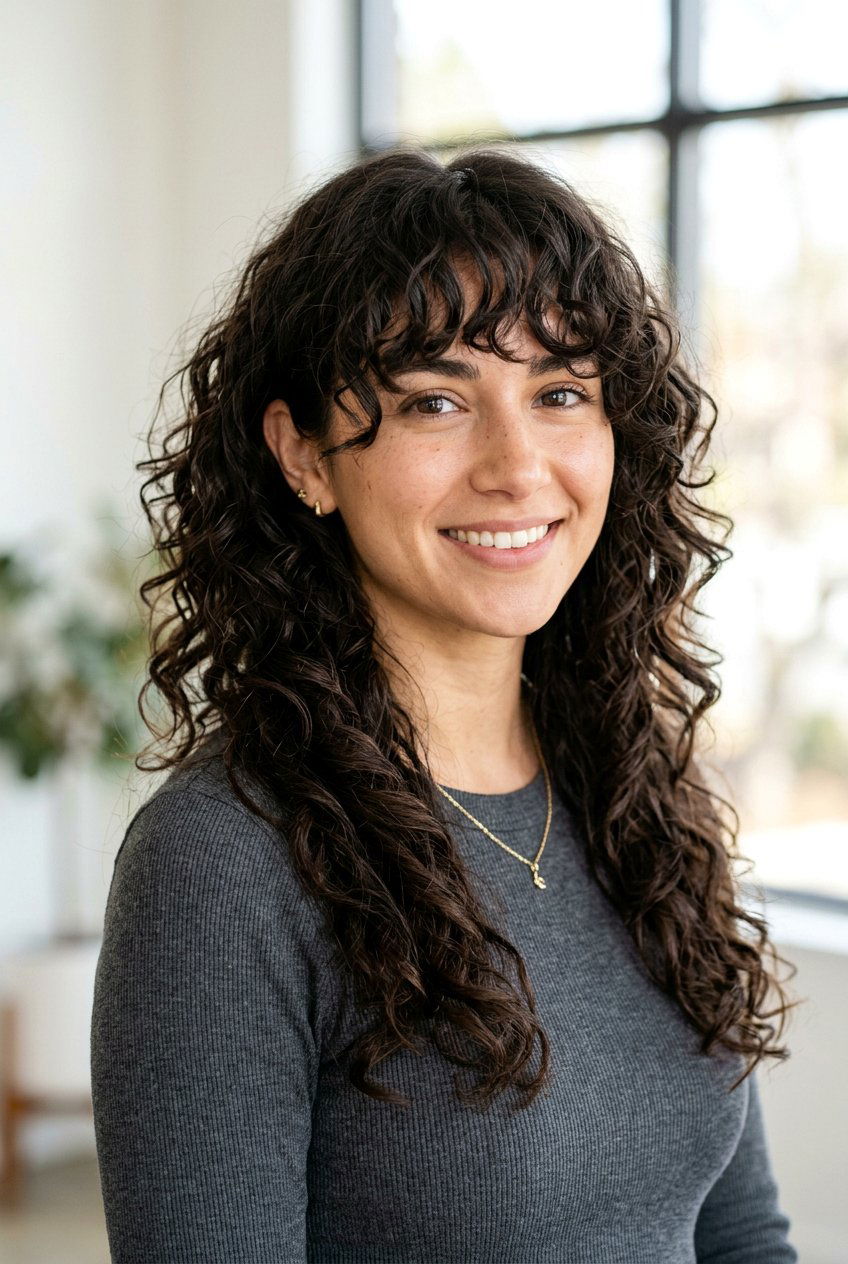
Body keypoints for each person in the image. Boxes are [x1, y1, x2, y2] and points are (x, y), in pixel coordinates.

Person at [90, 146, 801, 1262]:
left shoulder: (643, 794)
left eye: (560, 393)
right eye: (434, 400)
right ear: (304, 456)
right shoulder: (224, 859)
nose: (517, 465)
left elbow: (738, 1232)